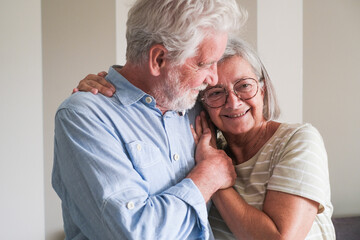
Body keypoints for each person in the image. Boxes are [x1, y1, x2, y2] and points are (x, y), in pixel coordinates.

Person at [78, 38, 335, 239]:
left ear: (263, 89)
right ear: (201, 103)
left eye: (244, 85)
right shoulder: (202, 143)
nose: (233, 102)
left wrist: (213, 177)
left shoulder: (299, 140)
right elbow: (154, 91)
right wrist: (105, 85)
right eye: (215, 93)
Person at [53, 0, 245, 239]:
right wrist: (207, 178)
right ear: (158, 59)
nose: (213, 78)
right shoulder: (85, 117)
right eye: (205, 64)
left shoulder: (196, 104)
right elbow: (134, 233)